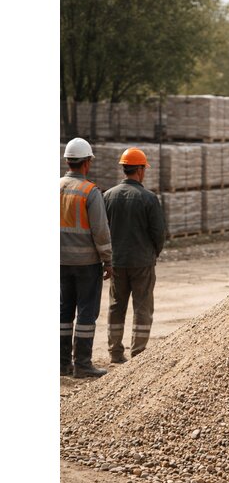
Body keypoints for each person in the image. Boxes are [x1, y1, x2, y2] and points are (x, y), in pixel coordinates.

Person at [103, 148, 166, 363]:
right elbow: (158, 233)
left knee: (116, 307)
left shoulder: (108, 196)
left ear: (124, 168)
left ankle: (115, 352)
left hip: (117, 262)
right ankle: (138, 354)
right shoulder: (149, 198)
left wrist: (107, 258)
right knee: (142, 307)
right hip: (142, 262)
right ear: (140, 169)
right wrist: (152, 254)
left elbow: (102, 230)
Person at [60, 137, 113, 378]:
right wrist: (108, 260)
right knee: (85, 312)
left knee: (63, 312)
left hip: (59, 261)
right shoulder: (90, 192)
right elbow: (100, 230)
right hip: (86, 263)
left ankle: (61, 364)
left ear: (68, 162)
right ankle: (82, 364)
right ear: (87, 163)